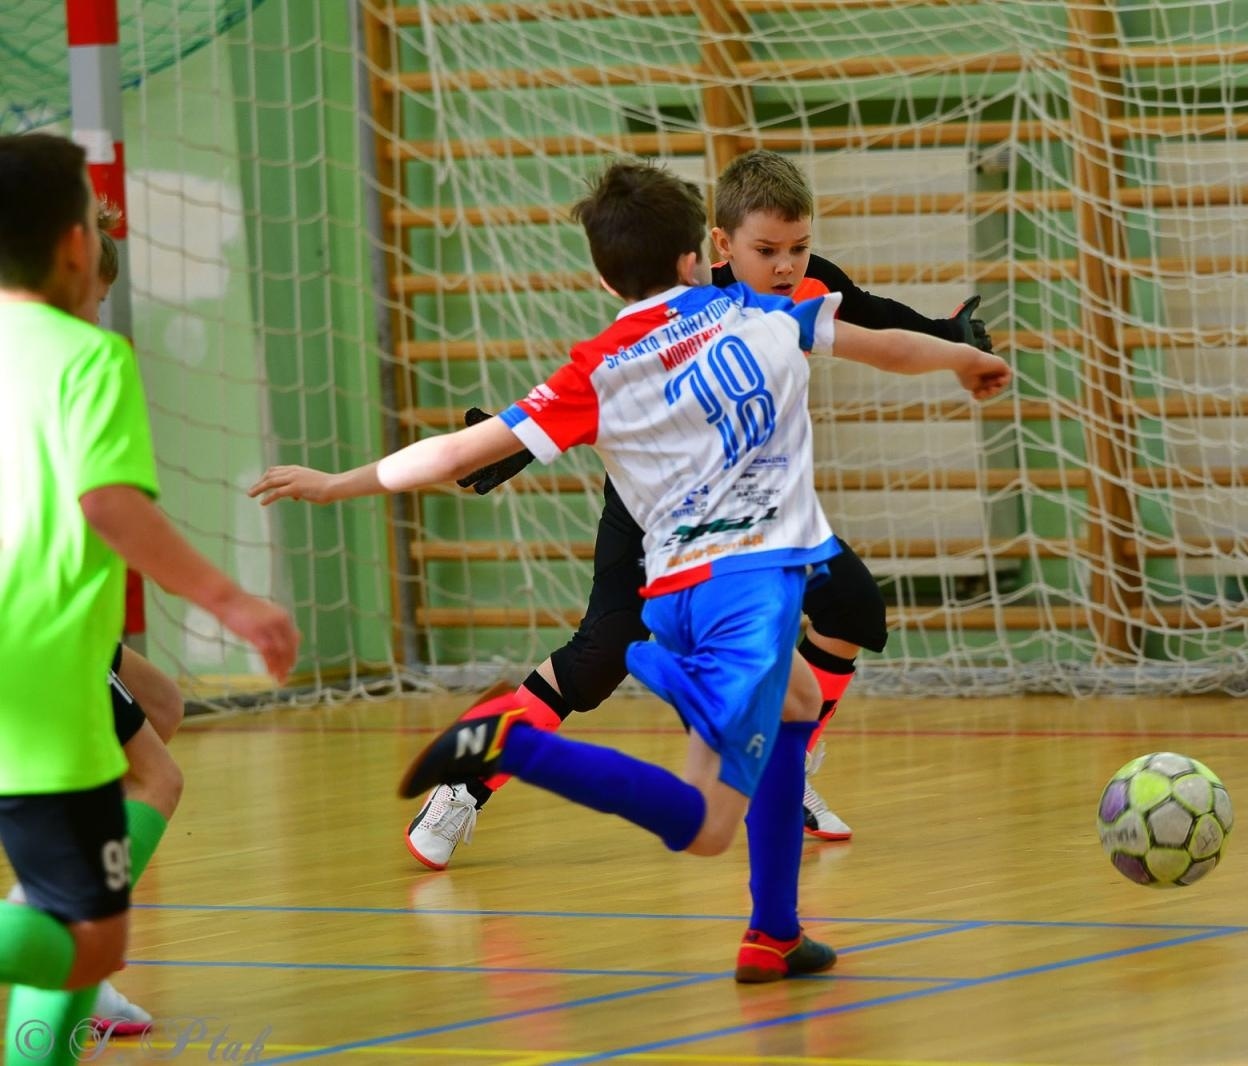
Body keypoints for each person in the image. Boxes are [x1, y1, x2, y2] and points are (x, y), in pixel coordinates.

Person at [249, 159, 1008, 980]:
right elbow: (882, 345)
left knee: (795, 701)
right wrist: (958, 361)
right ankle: (513, 745)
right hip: (742, 599)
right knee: (705, 823)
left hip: (680, 590)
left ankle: (775, 934)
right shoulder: (762, 315)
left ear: (604, 276)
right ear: (703, 254)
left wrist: (338, 482)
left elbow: (458, 452)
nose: (786, 263)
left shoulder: (597, 370)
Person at [405, 149, 995, 868]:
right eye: (765, 250)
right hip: (658, 507)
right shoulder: (687, 291)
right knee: (601, 657)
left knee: (852, 609)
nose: (784, 266)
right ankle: (466, 781)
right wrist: (510, 447)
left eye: (796, 249)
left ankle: (789, 764)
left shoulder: (812, 283)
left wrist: (950, 334)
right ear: (719, 247)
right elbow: (600, 379)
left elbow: (873, 317)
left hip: (753, 517)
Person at [0, 132, 299, 1064]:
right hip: (39, 676)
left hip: (40, 666)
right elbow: (109, 505)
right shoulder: (90, 358)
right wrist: (233, 601)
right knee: (91, 938)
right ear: (78, 245)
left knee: (78, 940)